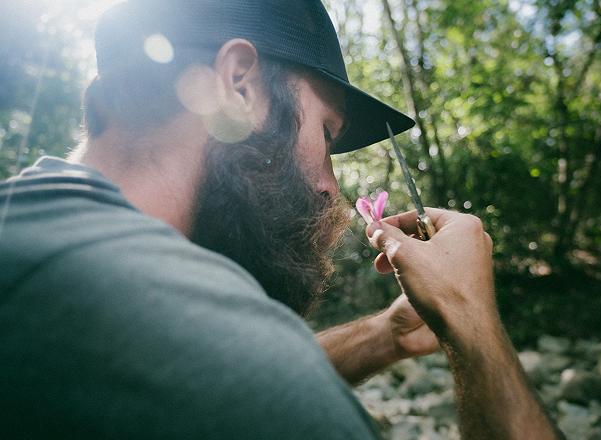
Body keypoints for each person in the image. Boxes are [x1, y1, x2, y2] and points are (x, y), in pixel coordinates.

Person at [0, 0, 563, 438]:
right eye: (326, 133)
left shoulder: (39, 238)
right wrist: (473, 323)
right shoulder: (224, 356)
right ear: (239, 84)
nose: (331, 191)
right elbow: (247, 374)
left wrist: (382, 335)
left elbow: (211, 377)